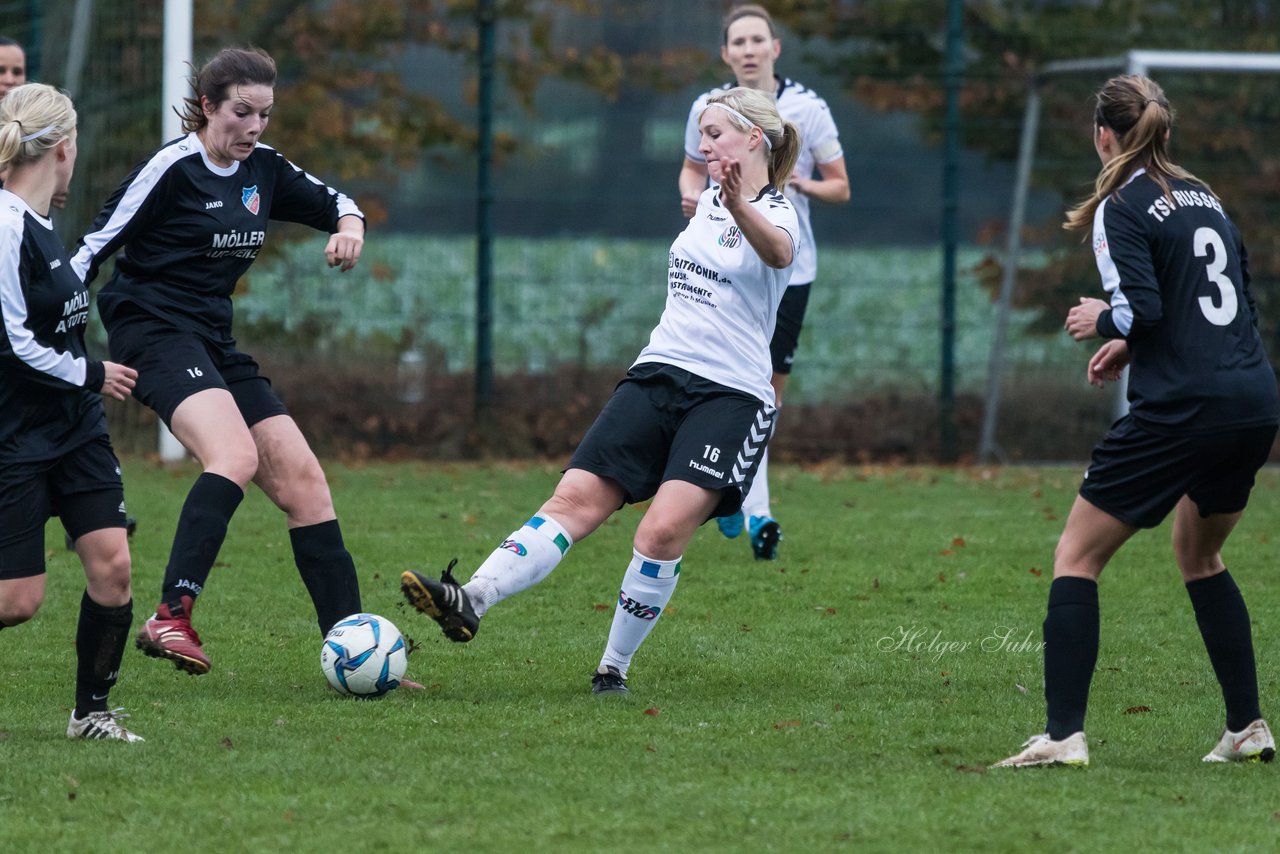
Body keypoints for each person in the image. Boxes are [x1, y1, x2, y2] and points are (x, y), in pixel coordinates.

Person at [403, 87, 800, 694]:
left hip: (730, 397)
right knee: (572, 500)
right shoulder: (706, 203)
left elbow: (777, 254)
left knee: (661, 531)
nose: (702, 144)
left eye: (714, 133)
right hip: (658, 371)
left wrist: (738, 203)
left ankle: (613, 668)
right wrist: (716, 201)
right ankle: (471, 597)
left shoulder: (776, 209)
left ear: (754, 139)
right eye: (700, 132)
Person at [994, 75, 1277, 768]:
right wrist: (1135, 341)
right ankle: (1247, 728)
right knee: (1199, 552)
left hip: (1187, 407)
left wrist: (1105, 321)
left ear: (1103, 135)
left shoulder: (1119, 205)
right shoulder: (1206, 197)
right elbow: (1229, 303)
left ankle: (1063, 737)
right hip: (1252, 398)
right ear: (1165, 134)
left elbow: (1146, 308)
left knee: (1076, 556)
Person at [72, 46, 366, 676]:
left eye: (264, 114)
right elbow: (91, 249)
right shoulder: (172, 169)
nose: (254, 127)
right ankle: (171, 615)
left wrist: (349, 228)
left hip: (212, 340)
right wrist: (51, 331)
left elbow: (340, 200)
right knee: (234, 456)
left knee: (307, 488)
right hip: (151, 333)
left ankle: (356, 649)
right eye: (241, 112)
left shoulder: (264, 169)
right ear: (208, 107)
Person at [678, 4, 849, 561]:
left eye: (758, 40)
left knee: (765, 396)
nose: (749, 50)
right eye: (738, 42)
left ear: (776, 48)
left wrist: (796, 183)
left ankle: (740, 502)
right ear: (726, 53)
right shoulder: (709, 108)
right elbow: (690, 169)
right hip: (723, 269)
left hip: (788, 272)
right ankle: (754, 512)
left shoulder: (809, 108)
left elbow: (841, 187)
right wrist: (689, 197)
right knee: (718, 383)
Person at [0, 83, 144, 741]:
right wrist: (90, 370)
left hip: (75, 428)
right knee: (17, 601)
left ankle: (91, 715)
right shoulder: (4, 224)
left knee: (113, 567)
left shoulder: (43, 225)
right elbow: (10, 341)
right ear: (66, 147)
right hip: (15, 435)